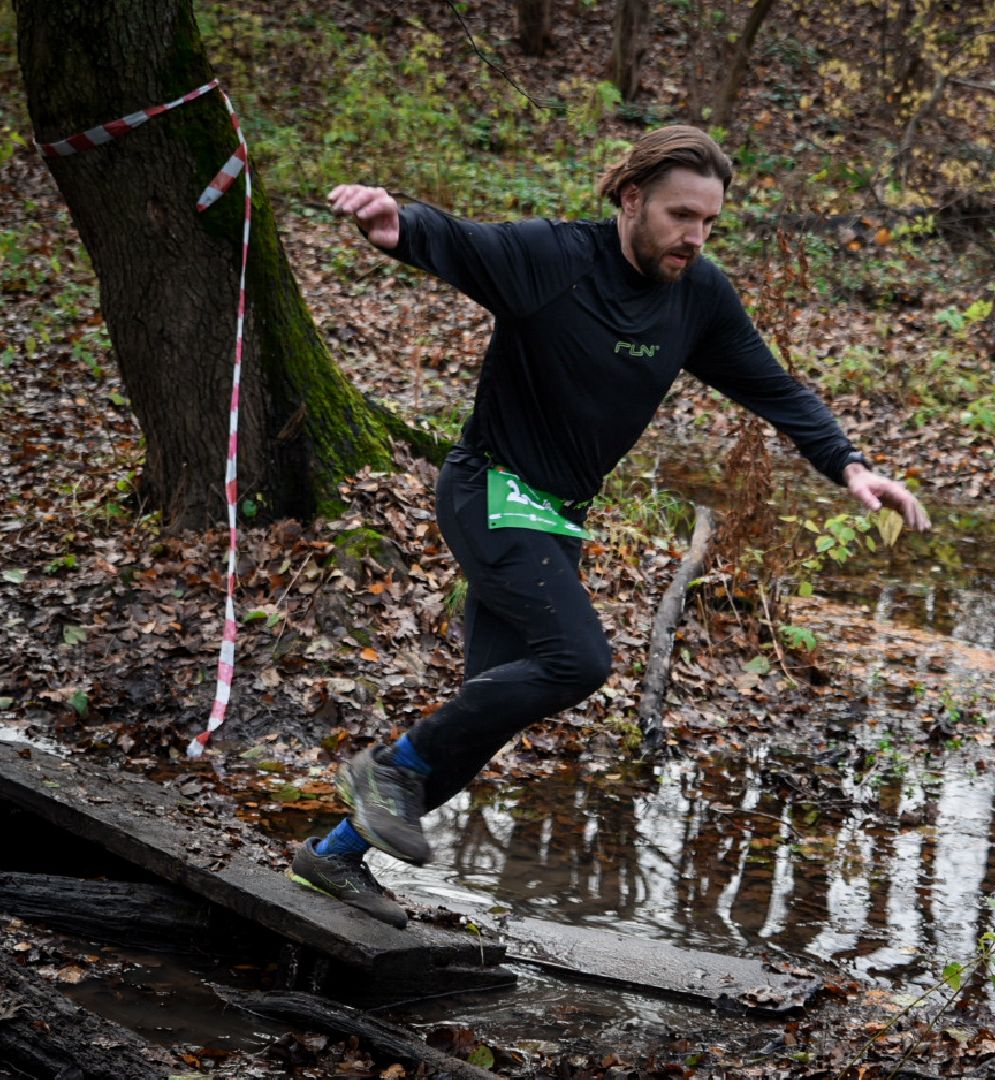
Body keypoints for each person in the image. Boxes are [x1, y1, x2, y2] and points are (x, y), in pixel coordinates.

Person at [287, 126, 930, 927]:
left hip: (555, 518)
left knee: (482, 720)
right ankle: (387, 768)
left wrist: (850, 464)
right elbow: (457, 239)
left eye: (708, 222)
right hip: (489, 490)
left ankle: (335, 856)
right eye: (679, 214)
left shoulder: (698, 295)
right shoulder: (553, 259)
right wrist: (396, 225)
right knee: (578, 659)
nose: (693, 236)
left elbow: (775, 388)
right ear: (631, 199)